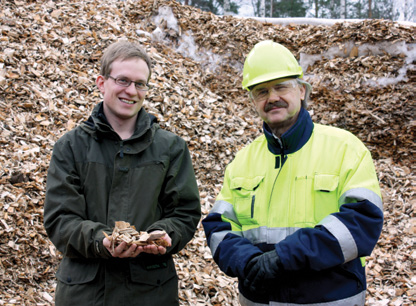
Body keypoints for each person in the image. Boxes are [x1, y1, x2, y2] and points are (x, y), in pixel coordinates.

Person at [202, 40, 383, 306]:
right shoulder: (242, 161)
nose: (272, 97)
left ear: (301, 90)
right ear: (252, 101)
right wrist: (247, 261)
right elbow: (219, 227)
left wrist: (283, 257)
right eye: (261, 91)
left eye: (281, 86)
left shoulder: (345, 149)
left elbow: (362, 221)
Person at [44, 40, 201, 306]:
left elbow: (184, 213)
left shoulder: (170, 148)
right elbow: (60, 219)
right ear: (101, 83)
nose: (131, 91)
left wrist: (163, 235)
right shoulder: (70, 147)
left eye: (140, 84)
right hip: (85, 294)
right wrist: (101, 241)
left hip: (150, 293)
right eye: (123, 80)